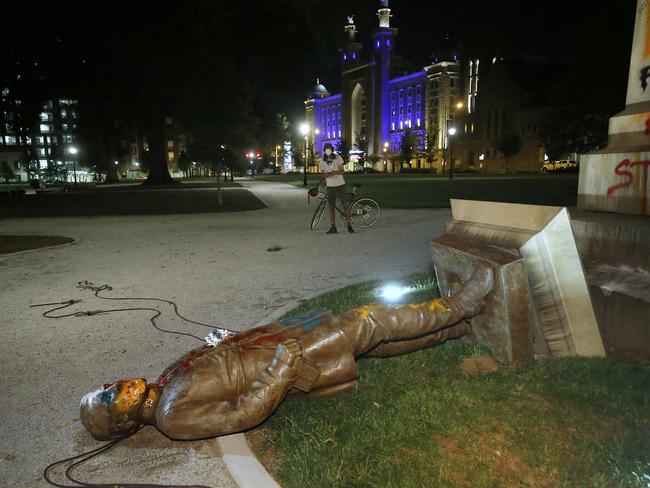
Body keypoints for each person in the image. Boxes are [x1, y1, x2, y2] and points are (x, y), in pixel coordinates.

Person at [80, 267, 493, 441]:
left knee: (371, 344)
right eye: (106, 397)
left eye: (103, 387)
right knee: (369, 323)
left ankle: (455, 330)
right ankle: (461, 307)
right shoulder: (172, 417)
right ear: (121, 420)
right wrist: (282, 366)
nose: (110, 386)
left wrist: (228, 340)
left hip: (274, 343)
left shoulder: (165, 380)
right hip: (285, 360)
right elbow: (243, 413)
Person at [319, 142, 353, 234]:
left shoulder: (338, 157)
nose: (328, 151)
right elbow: (321, 174)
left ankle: (349, 225)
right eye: (326, 149)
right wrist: (326, 174)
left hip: (340, 184)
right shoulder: (322, 160)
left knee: (345, 205)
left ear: (332, 150)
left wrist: (335, 172)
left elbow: (342, 171)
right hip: (330, 186)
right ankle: (333, 227)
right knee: (331, 207)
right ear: (324, 151)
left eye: (329, 149)